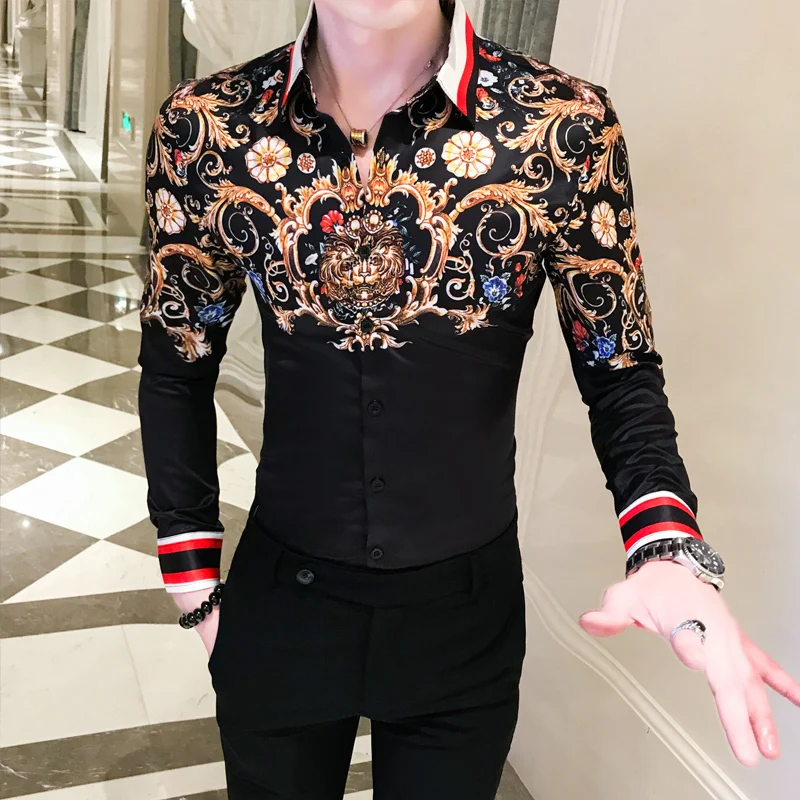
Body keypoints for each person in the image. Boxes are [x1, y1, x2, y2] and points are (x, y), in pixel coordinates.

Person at [137, 0, 800, 797]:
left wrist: (666, 548)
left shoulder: (561, 126)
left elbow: (619, 370)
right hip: (283, 606)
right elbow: (176, 363)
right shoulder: (209, 126)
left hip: (464, 623)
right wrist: (193, 584)